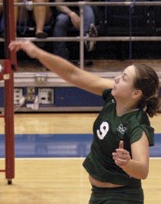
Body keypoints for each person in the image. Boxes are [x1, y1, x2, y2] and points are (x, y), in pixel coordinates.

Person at [9, 40, 159, 203]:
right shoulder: (113, 97)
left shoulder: (137, 125)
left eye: (124, 78)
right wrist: (38, 53)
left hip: (121, 198)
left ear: (136, 93)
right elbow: (73, 74)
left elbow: (143, 170)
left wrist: (128, 163)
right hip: (97, 195)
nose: (116, 79)